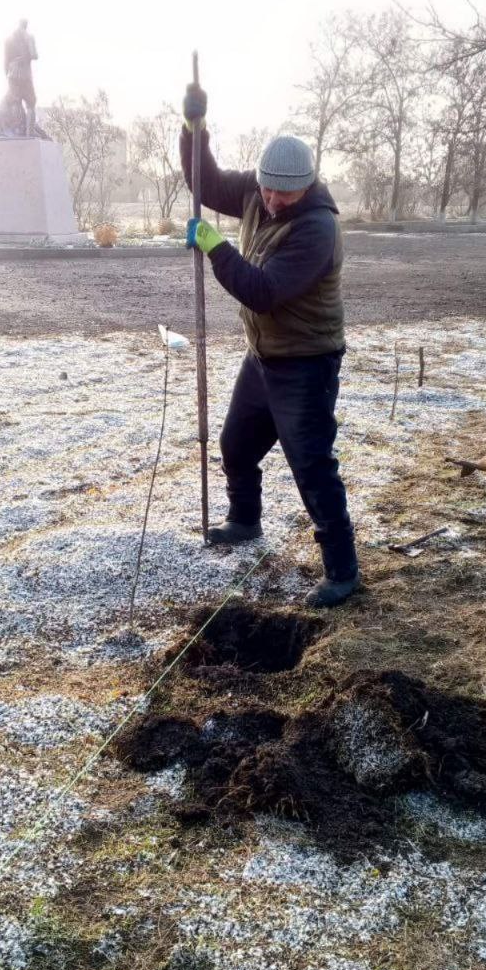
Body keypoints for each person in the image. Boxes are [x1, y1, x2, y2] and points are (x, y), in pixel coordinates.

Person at [180, 82, 359, 608]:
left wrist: (214, 246)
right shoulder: (258, 193)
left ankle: (343, 569)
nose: (272, 199)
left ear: (306, 187)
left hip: (306, 363)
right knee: (236, 444)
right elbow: (205, 182)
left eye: (284, 192)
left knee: (311, 465)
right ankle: (244, 520)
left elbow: (263, 292)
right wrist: (194, 130)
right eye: (266, 188)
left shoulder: (317, 231)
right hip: (264, 358)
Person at [4, 20, 38, 137]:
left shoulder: (8, 39)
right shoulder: (29, 37)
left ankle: (16, 131)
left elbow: (5, 60)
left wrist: (7, 75)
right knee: (31, 103)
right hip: (24, 72)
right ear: (26, 25)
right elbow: (34, 54)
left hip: (12, 72)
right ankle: (30, 133)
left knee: (15, 101)